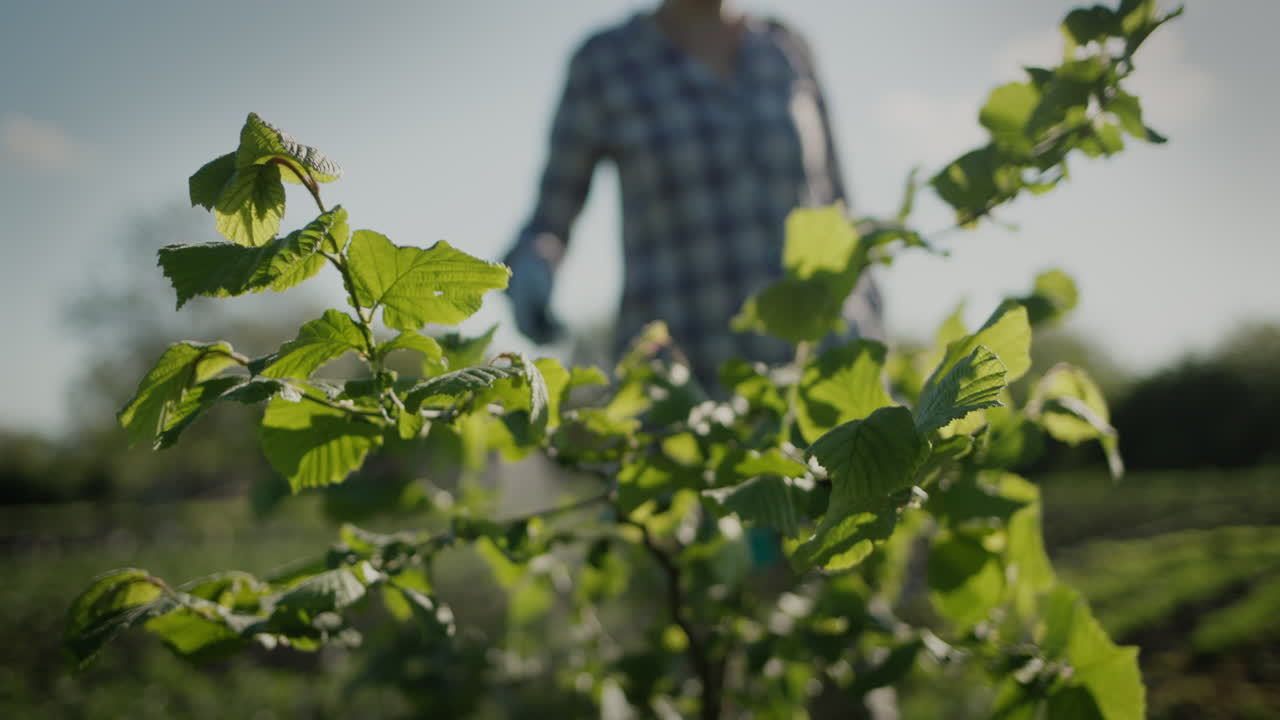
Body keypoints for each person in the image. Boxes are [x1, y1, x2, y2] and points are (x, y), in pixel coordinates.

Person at [504, 0, 882, 391]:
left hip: (819, 370)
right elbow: (550, 219)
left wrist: (871, 316)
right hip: (681, 385)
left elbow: (840, 206)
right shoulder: (607, 61)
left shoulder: (785, 48)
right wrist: (533, 268)